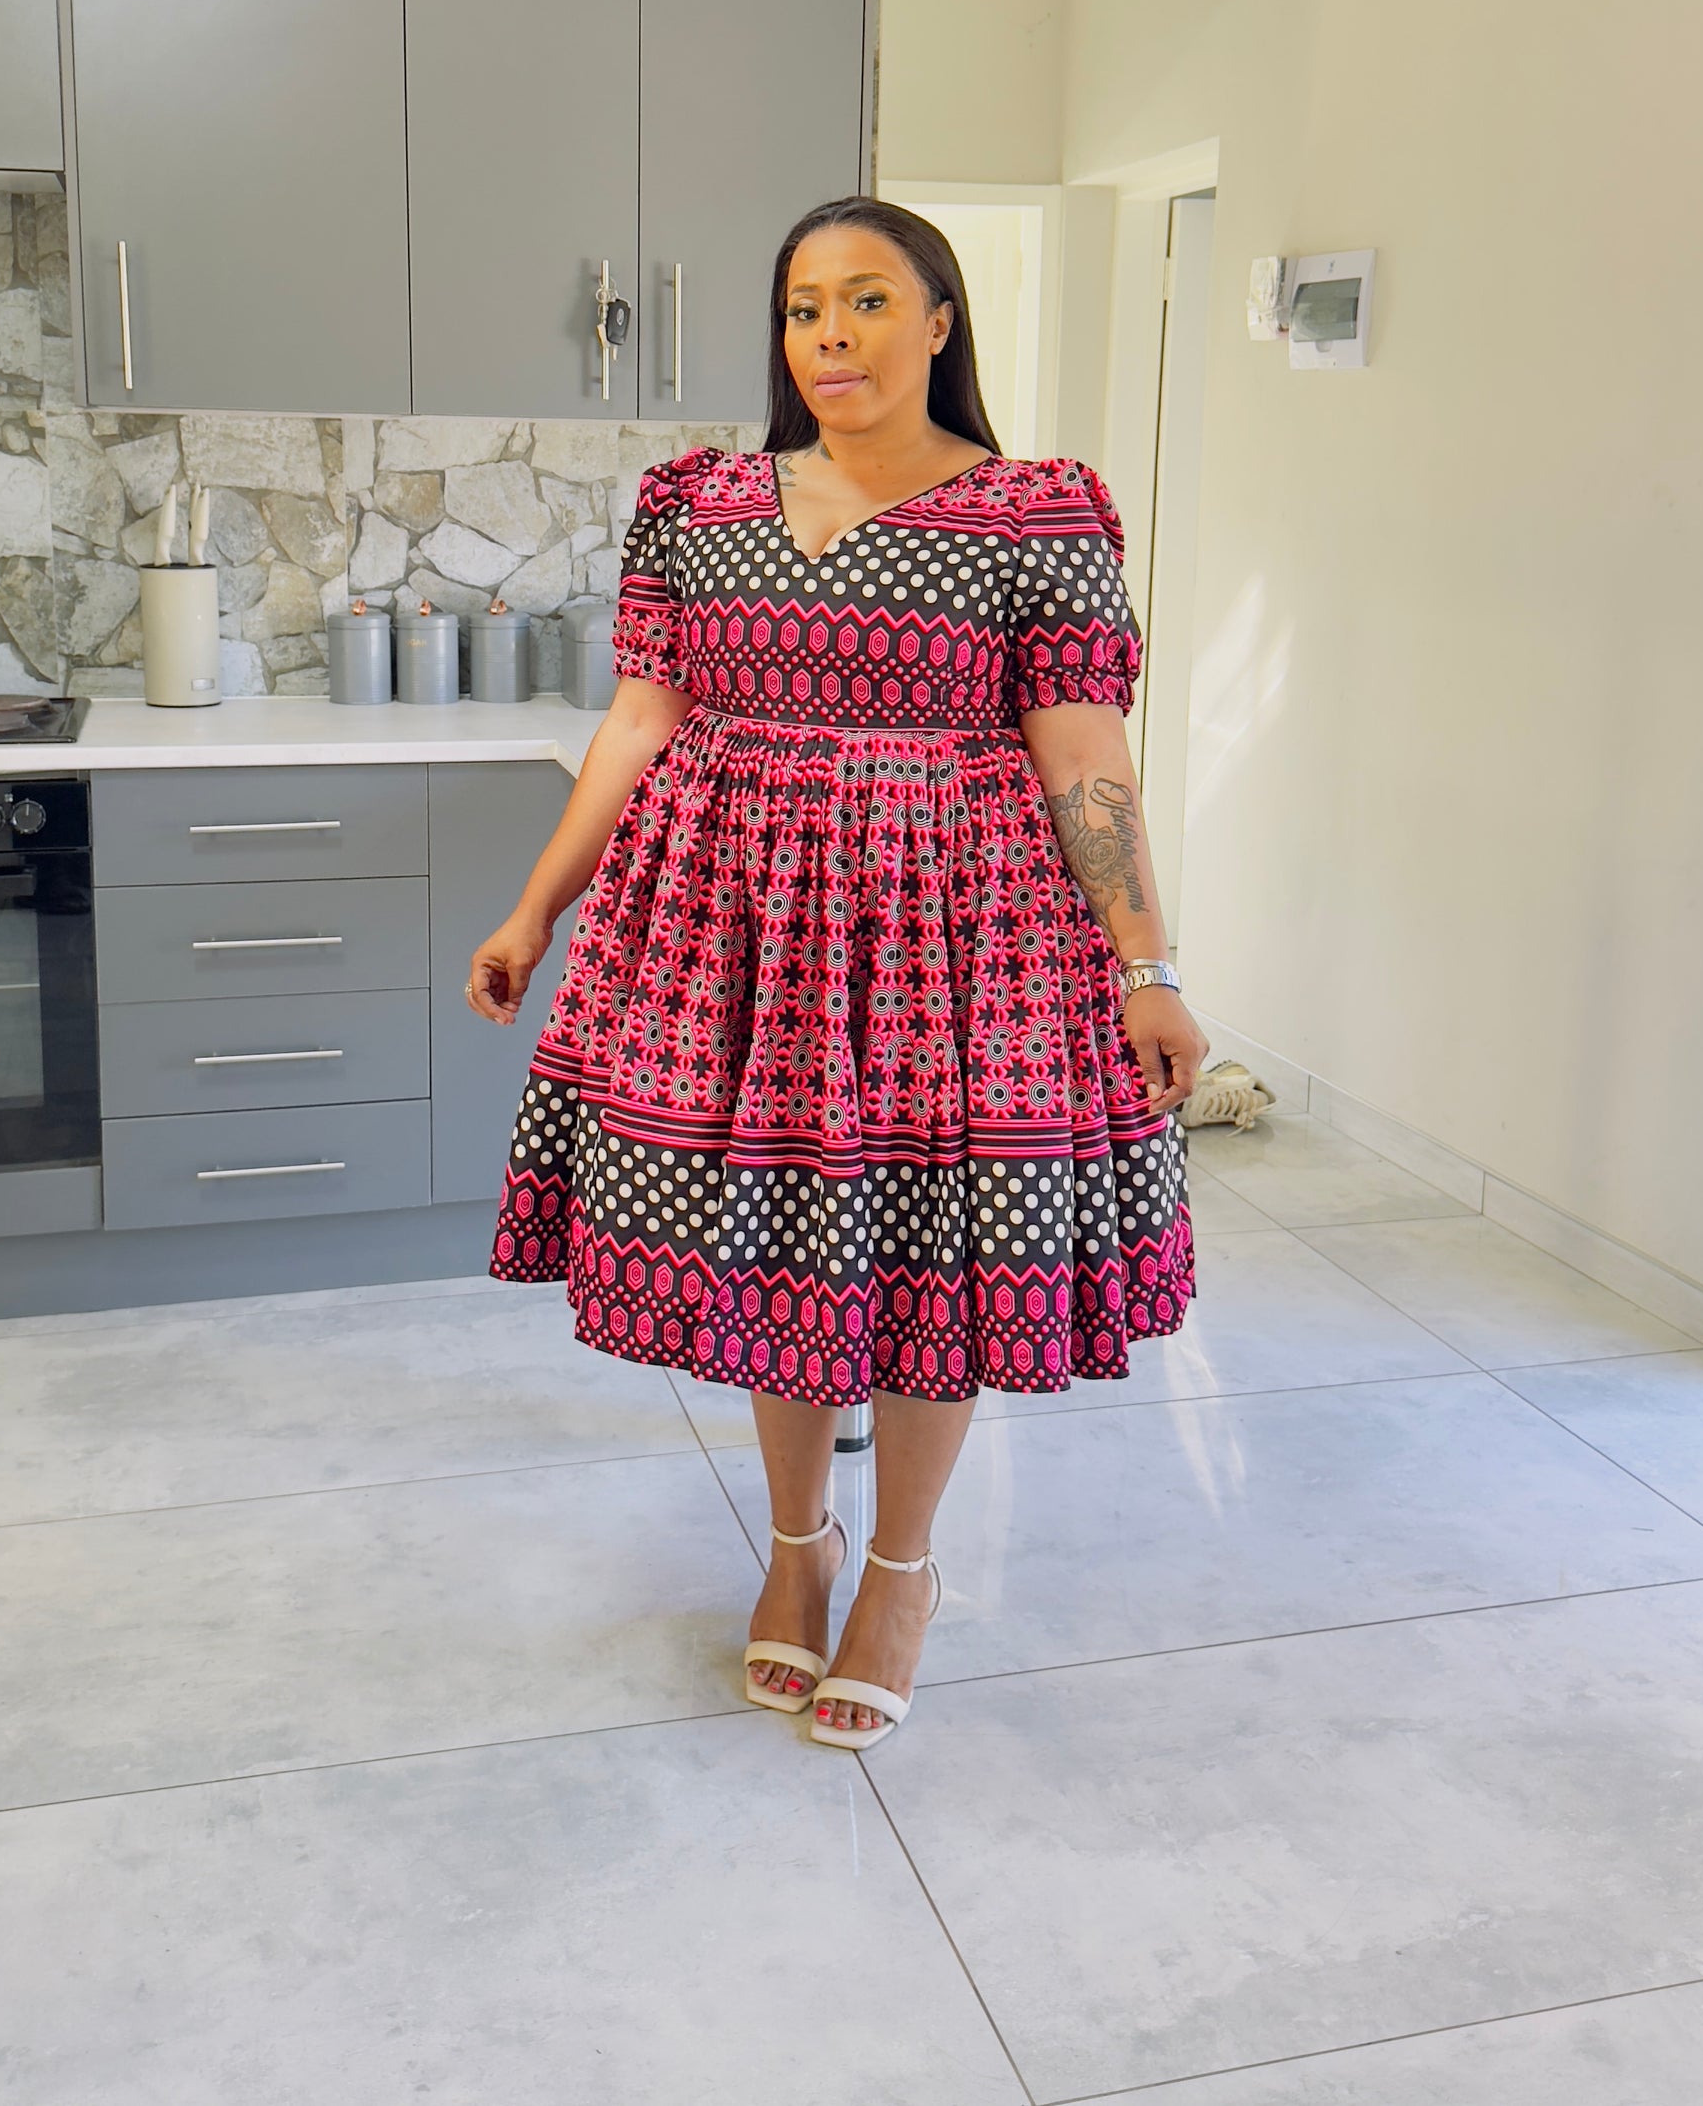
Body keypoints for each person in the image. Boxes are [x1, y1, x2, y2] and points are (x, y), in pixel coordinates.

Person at [467, 196, 1205, 1748]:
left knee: (933, 1257)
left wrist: (1147, 961)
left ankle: (902, 1571)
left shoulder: (1032, 515)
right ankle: (796, 1548)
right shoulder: (695, 502)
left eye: (867, 300)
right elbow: (639, 725)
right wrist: (535, 911)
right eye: (805, 307)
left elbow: (1082, 756)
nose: (830, 335)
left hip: (954, 938)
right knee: (778, 1252)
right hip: (732, 934)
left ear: (938, 322)